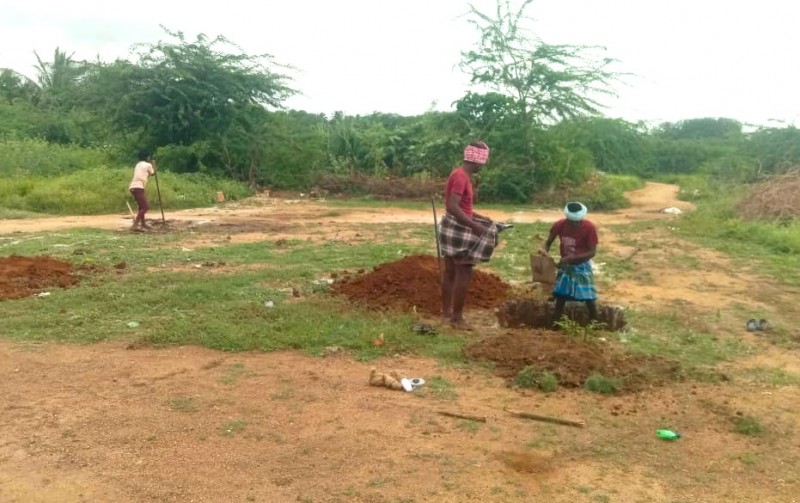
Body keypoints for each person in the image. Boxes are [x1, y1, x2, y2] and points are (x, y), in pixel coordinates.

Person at [438, 141, 497, 330]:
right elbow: (453, 206)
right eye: (483, 163)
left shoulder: (459, 174)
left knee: (450, 272)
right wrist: (474, 226)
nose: (483, 166)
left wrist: (480, 218)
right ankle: (457, 318)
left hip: (451, 226)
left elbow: (461, 207)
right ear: (477, 161)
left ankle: (446, 312)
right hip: (458, 228)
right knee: (464, 272)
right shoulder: (461, 178)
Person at [542, 201, 600, 326]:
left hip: (581, 264)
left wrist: (572, 258)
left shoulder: (589, 227)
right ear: (567, 218)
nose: (575, 224)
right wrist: (543, 251)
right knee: (561, 295)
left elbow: (592, 252)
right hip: (566, 264)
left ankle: (595, 321)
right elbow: (548, 242)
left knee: (588, 295)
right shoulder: (559, 225)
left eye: (578, 221)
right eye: (572, 221)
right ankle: (556, 322)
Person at [128, 152, 156, 231]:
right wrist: (154, 165)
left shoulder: (138, 164)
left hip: (133, 186)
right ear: (147, 157)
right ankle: (135, 224)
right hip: (138, 187)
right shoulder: (148, 165)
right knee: (145, 207)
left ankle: (143, 224)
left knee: (141, 206)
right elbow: (153, 173)